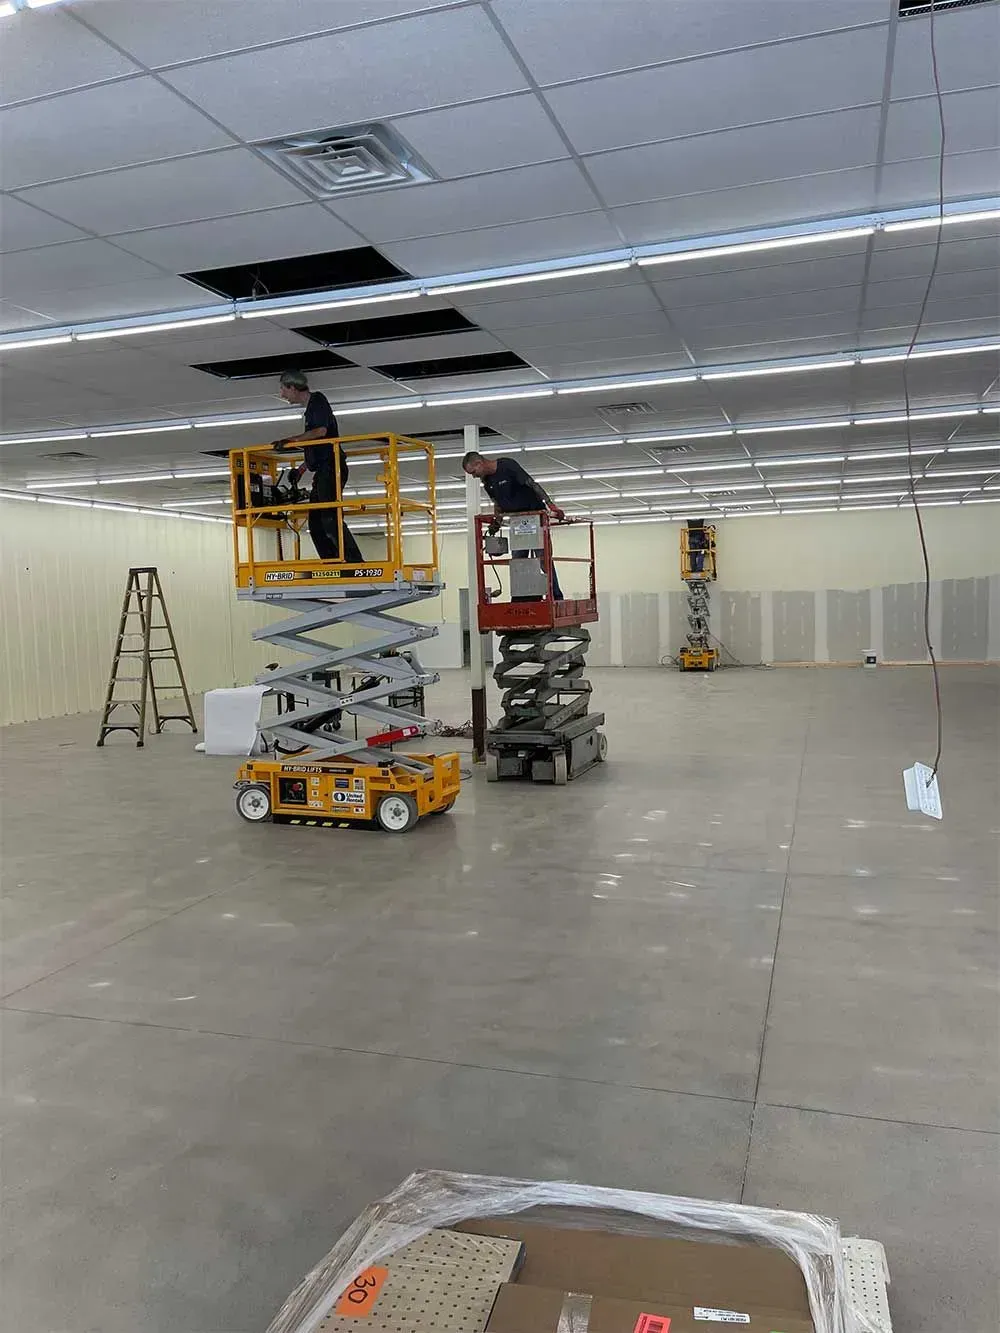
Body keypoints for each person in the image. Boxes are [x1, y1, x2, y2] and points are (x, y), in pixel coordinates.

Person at [273, 370, 364, 563]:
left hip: (332, 468)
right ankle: (333, 563)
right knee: (315, 524)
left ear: (292, 388)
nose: (282, 394)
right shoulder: (311, 410)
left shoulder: (318, 401)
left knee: (329, 519)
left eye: (283, 389)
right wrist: (301, 469)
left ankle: (354, 562)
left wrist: (291, 440)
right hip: (322, 470)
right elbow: (318, 448)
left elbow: (321, 432)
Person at [462, 451, 566, 600]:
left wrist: (551, 506)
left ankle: (555, 595)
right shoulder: (487, 482)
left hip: (535, 517)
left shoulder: (507, 465)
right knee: (519, 562)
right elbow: (497, 503)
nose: (474, 476)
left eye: (473, 472)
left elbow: (532, 484)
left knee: (543, 559)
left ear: (479, 463)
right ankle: (523, 596)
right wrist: (496, 522)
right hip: (517, 522)